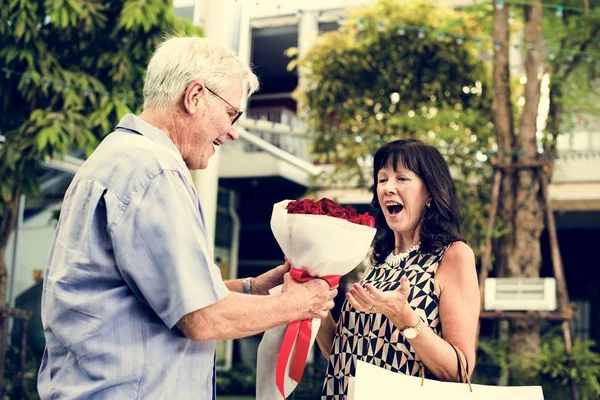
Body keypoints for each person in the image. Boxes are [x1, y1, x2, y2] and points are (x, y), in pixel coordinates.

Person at [37, 36, 337, 400]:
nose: (233, 132)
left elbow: (160, 294)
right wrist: (300, 303)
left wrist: (253, 288)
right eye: (231, 114)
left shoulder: (119, 157)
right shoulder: (155, 171)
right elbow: (202, 317)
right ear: (194, 96)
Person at [317, 139, 480, 399]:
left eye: (401, 178)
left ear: (430, 192)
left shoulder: (453, 256)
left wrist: (405, 318)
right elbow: (342, 351)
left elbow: (460, 371)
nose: (388, 188)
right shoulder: (377, 259)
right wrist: (315, 303)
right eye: (382, 180)